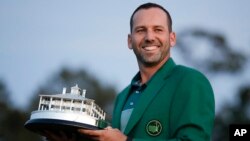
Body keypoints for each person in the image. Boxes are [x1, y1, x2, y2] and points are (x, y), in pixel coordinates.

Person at [45, 2, 215, 141]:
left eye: (158, 29)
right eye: (141, 30)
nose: (149, 37)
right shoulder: (122, 97)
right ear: (129, 40)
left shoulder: (190, 81)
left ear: (172, 38)